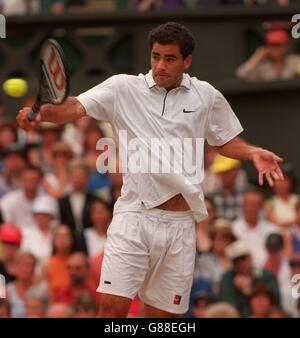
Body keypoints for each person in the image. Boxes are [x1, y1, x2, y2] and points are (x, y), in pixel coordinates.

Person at [17, 22, 284, 318]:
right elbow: (75, 106)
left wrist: (252, 152)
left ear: (187, 61)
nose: (160, 65)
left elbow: (224, 140)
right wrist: (40, 114)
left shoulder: (206, 95)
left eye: (169, 59)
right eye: (155, 56)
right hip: (134, 217)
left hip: (181, 225)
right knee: (111, 311)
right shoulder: (122, 87)